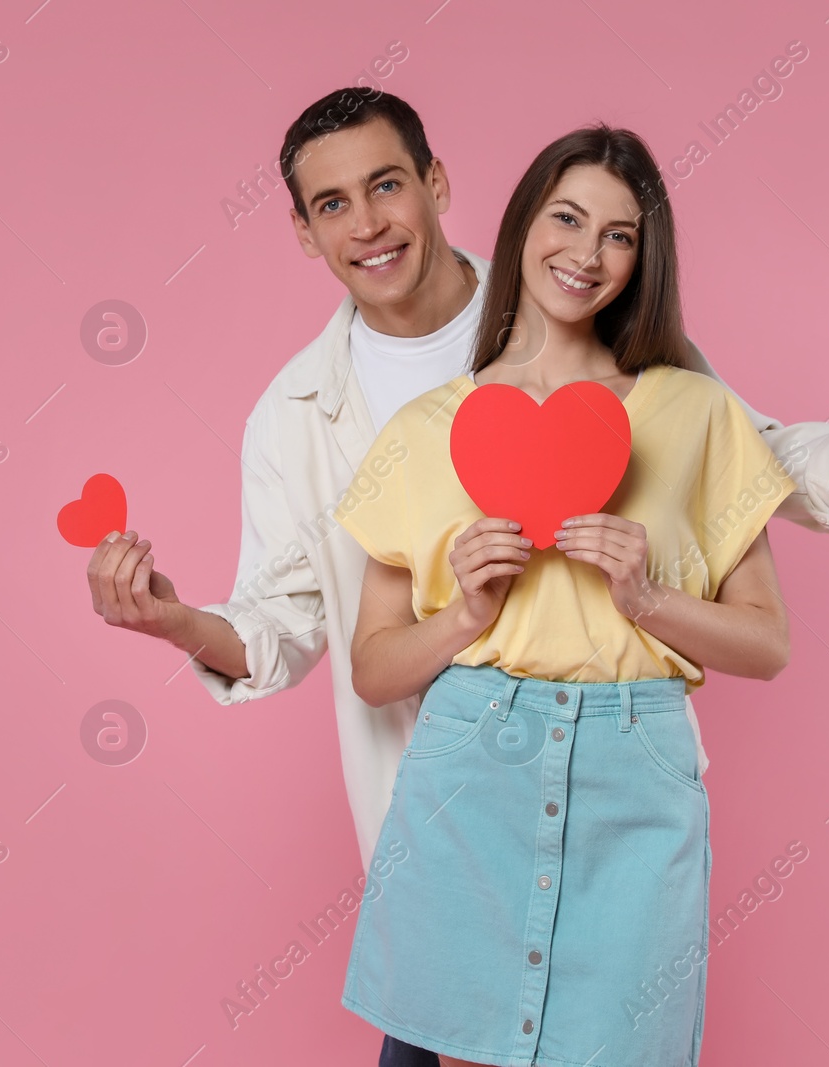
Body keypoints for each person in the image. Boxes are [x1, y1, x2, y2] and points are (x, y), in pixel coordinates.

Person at [83, 90, 829, 1067]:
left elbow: (762, 467)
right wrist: (178, 620)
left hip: (632, 759)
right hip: (450, 772)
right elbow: (297, 625)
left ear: (436, 185)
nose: (368, 220)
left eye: (386, 183)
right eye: (332, 203)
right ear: (304, 232)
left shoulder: (671, 389)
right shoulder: (341, 420)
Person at [336, 121, 796, 1067]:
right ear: (522, 226)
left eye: (620, 234)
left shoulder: (697, 411)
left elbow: (768, 643)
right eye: (568, 217)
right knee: (444, 1042)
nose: (586, 253)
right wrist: (465, 612)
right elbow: (374, 669)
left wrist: (647, 595)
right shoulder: (430, 430)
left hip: (640, 762)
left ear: (643, 258)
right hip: (471, 762)